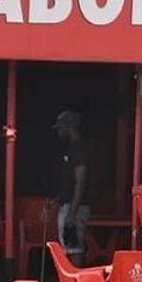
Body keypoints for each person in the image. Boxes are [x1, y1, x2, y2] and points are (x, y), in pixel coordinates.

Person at [51, 110, 90, 266]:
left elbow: (80, 181)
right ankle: (71, 280)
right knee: (69, 247)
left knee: (74, 247)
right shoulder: (72, 148)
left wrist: (72, 212)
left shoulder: (78, 148)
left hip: (74, 206)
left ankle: (75, 280)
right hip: (69, 204)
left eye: (61, 128)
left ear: (69, 126)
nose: (59, 132)